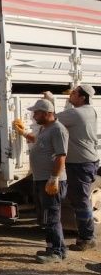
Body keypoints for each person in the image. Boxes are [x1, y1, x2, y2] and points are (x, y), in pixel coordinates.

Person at [33, 85, 98, 251]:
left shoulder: (76, 114)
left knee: (80, 201)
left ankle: (87, 238)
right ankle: (85, 236)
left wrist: (49, 100)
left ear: (82, 97)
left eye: (74, 93)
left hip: (79, 164)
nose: (71, 94)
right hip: (85, 161)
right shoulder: (90, 110)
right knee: (79, 200)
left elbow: (51, 118)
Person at [15, 99, 69, 263]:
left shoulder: (58, 130)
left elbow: (61, 156)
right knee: (49, 216)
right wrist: (23, 132)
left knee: (52, 216)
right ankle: (56, 247)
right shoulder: (45, 128)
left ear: (47, 113)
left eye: (36, 112)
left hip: (50, 181)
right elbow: (36, 141)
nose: (33, 115)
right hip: (42, 179)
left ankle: (56, 252)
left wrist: (54, 178)